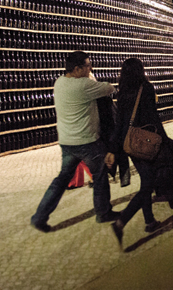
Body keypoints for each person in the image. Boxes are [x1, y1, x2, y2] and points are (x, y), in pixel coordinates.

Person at [31, 51, 118, 233]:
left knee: (61, 180)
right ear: (77, 69)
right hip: (87, 142)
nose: (90, 68)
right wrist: (92, 79)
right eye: (87, 66)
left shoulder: (59, 83)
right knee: (100, 176)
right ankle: (103, 213)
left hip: (67, 142)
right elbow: (110, 88)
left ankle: (39, 217)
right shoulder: (84, 85)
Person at [111, 58, 170, 247]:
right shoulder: (146, 88)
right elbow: (154, 116)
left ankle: (149, 220)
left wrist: (116, 147)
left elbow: (119, 122)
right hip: (146, 140)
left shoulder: (122, 92)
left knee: (146, 180)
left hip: (130, 143)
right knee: (148, 184)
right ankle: (121, 222)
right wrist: (164, 139)